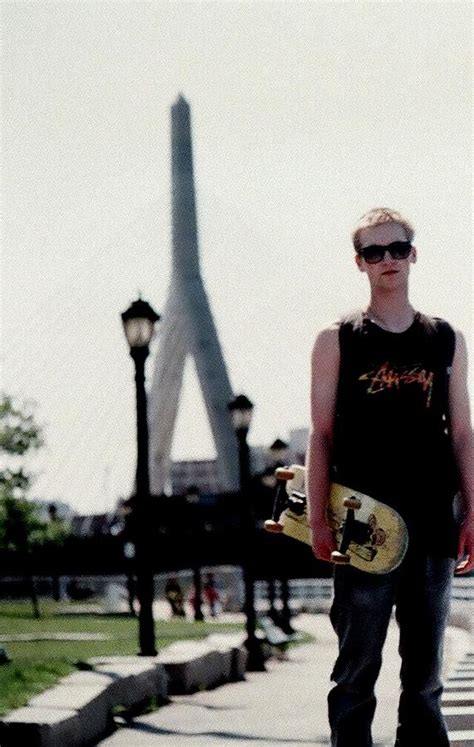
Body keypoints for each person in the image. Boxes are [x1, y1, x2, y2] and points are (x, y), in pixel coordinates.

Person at [305, 207, 473, 747]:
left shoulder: (446, 338)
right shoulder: (337, 339)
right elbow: (321, 435)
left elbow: (464, 434)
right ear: (360, 263)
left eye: (397, 248)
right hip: (362, 526)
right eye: (374, 252)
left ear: (413, 254)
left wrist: (473, 510)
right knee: (356, 673)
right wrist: (316, 521)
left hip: (432, 523)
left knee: (424, 679)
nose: (388, 261)